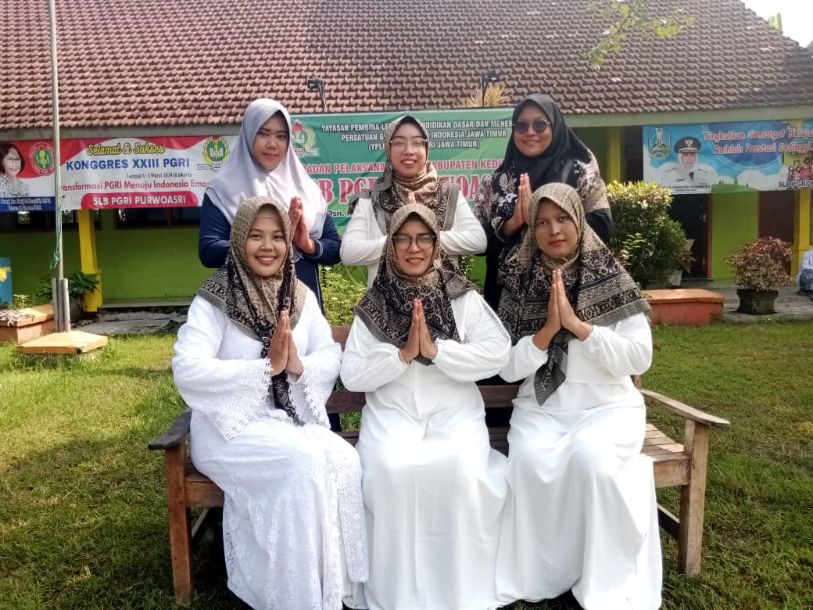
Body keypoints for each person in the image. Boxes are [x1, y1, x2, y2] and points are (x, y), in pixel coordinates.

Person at [173, 196, 368, 610]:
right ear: (239, 239)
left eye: (278, 236)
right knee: (304, 463)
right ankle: (294, 596)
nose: (268, 246)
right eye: (256, 236)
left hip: (286, 420)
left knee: (344, 460)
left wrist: (296, 364)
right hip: (229, 428)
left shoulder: (299, 296)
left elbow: (328, 354)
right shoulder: (215, 298)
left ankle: (335, 587)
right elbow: (187, 368)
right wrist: (265, 369)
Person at [495, 183, 662, 610]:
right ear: (532, 230)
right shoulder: (520, 282)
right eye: (542, 222)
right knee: (530, 462)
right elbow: (508, 367)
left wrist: (580, 327)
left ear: (580, 221)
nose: (554, 231)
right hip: (543, 408)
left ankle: (598, 575)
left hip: (607, 406)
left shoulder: (611, 275)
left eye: (563, 219)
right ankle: (545, 574)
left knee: (593, 462)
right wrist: (547, 331)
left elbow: (638, 357)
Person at [340, 203, 511, 610]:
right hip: (392, 413)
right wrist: (401, 356)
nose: (413, 248)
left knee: (460, 470)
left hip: (455, 411)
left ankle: (458, 589)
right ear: (391, 244)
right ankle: (398, 593)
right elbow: (352, 375)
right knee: (389, 472)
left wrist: (438, 352)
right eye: (402, 238)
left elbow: (498, 352)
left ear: (437, 243)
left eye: (423, 238)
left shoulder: (462, 297)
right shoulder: (375, 301)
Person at [473, 94, 613, 310]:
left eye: (539, 125)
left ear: (555, 127)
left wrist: (540, 219)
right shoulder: (496, 182)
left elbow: (603, 227)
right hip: (505, 298)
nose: (530, 132)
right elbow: (478, 243)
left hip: (567, 292)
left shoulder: (580, 173)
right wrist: (511, 225)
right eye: (521, 126)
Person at [198, 98, 340, 306]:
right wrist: (269, 240)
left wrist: (307, 245)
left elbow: (335, 249)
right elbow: (209, 251)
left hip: (303, 305)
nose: (272, 144)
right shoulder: (224, 189)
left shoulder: (306, 189)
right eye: (263, 134)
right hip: (247, 305)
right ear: (249, 134)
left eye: (281, 136)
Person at [340, 114, 486, 286]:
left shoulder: (449, 194)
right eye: (399, 142)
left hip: (444, 299)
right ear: (388, 148)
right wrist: (397, 240)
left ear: (426, 148)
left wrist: (426, 237)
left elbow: (478, 241)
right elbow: (348, 252)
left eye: (417, 142)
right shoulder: (370, 200)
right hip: (386, 300)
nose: (408, 150)